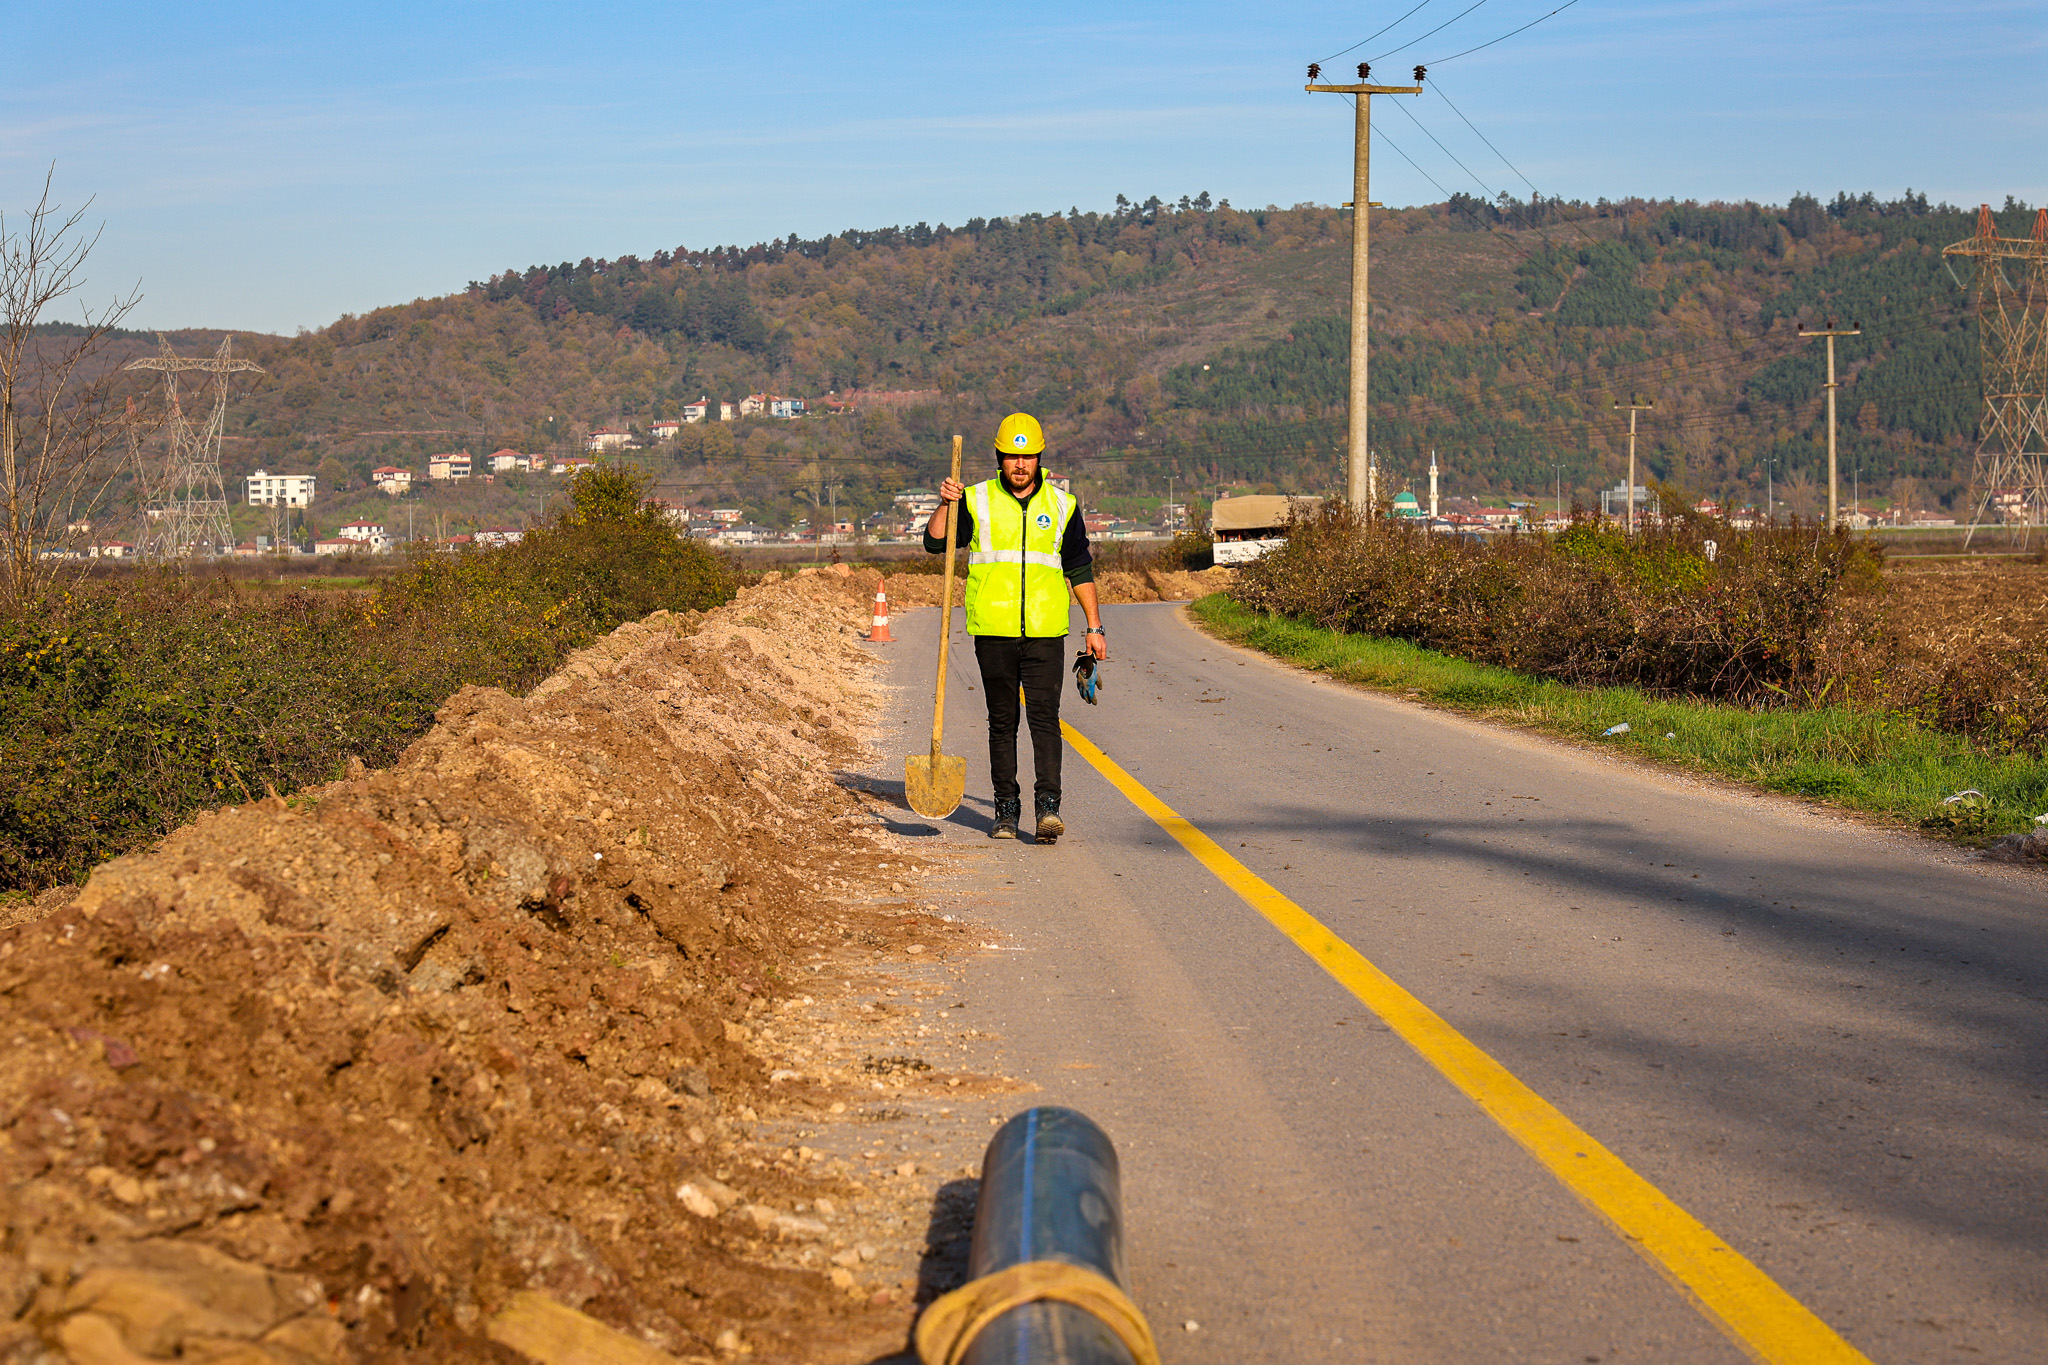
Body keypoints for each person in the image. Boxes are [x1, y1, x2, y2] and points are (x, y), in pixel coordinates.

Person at [926, 412, 1107, 842]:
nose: (1020, 465)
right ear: (999, 458)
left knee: (1045, 719)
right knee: (1002, 722)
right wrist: (946, 503)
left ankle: (1048, 810)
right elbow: (935, 543)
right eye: (1011, 457)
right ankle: (1006, 810)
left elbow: (1079, 568)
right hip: (993, 630)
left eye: (1027, 457)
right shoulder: (976, 499)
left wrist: (1094, 627)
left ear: (1039, 458)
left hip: (1045, 632)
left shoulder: (1063, 505)